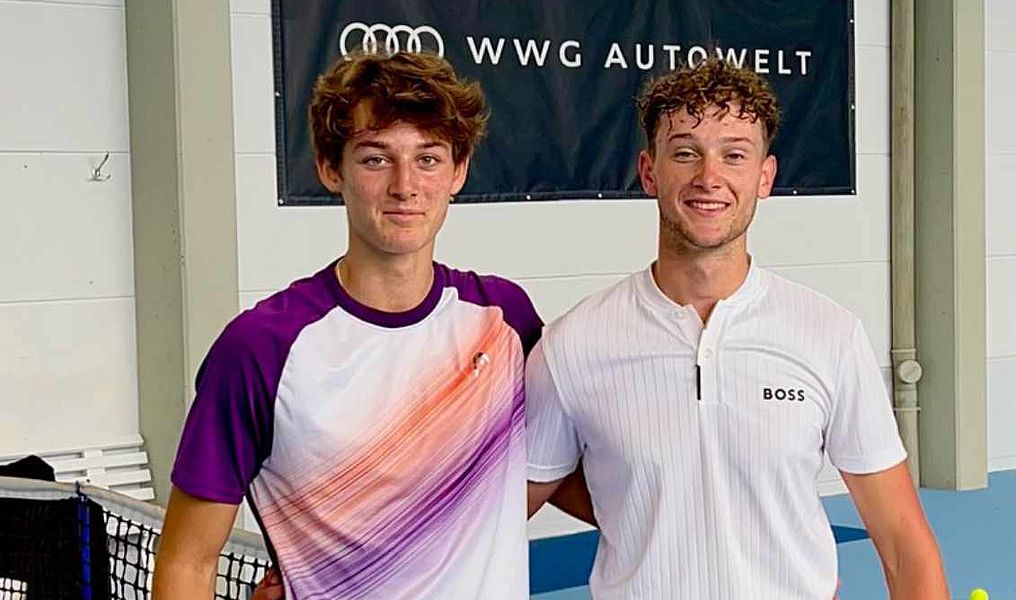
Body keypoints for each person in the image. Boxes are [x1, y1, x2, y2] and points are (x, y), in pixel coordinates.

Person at [525, 58, 949, 599]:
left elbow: (902, 542)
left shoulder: (829, 336)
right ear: (649, 171)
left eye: (734, 155)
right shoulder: (572, 345)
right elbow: (494, 514)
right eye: (685, 152)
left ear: (764, 177)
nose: (709, 178)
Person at [153, 51, 544, 599]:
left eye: (428, 158)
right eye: (376, 159)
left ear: (458, 171)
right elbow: (187, 562)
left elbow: (572, 465)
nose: (405, 185)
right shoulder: (260, 348)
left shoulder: (505, 320)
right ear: (330, 168)